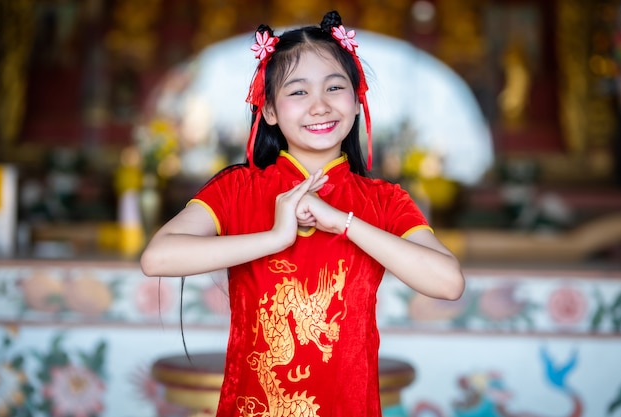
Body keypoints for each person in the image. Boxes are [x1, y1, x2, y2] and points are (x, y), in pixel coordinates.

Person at [140, 10, 465, 417]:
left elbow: (448, 283)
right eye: (298, 92)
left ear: (357, 98)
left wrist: (343, 223)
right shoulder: (237, 189)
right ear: (270, 110)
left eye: (335, 87)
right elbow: (157, 258)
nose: (320, 105)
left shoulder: (384, 201)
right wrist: (276, 238)